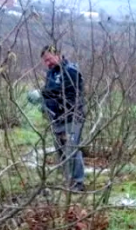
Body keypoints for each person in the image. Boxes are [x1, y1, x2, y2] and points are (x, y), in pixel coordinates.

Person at [28, 45, 86, 192]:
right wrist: (44, 106)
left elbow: (68, 94)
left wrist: (43, 95)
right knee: (61, 151)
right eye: (45, 61)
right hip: (56, 119)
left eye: (49, 59)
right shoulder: (51, 73)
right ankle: (68, 181)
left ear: (58, 55)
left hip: (71, 117)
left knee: (71, 149)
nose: (48, 63)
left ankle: (78, 183)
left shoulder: (71, 71)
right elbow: (49, 92)